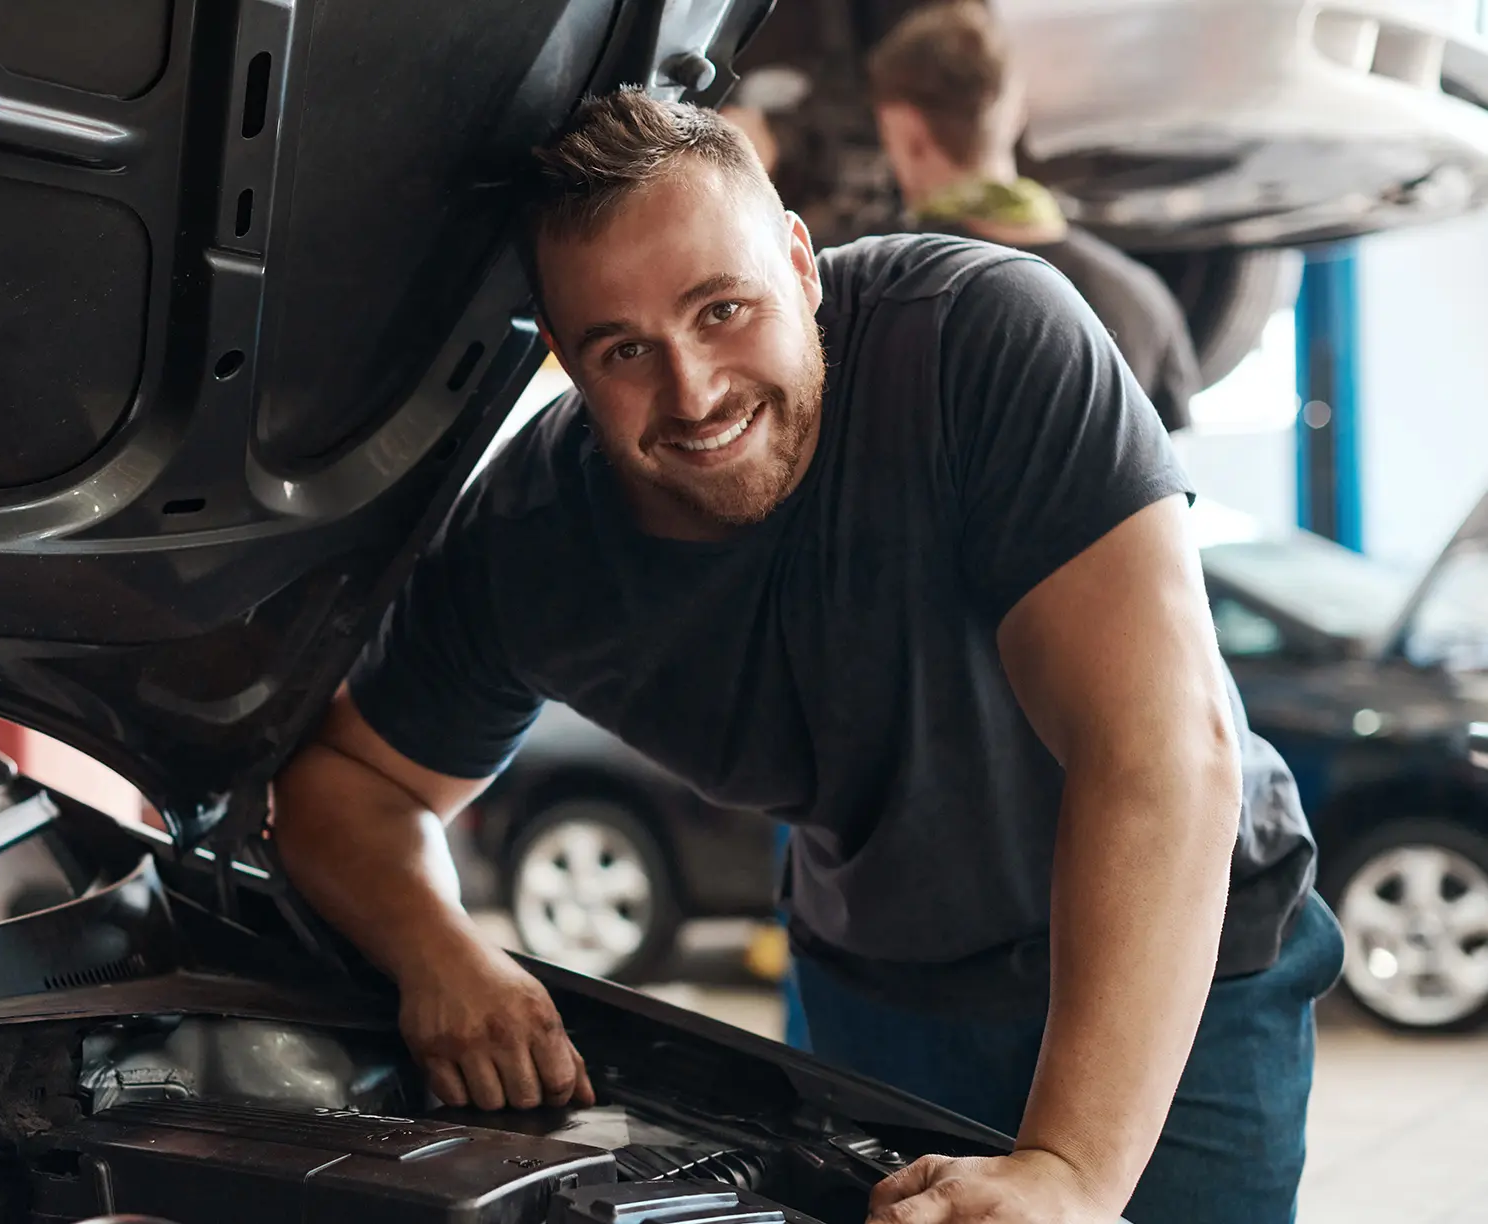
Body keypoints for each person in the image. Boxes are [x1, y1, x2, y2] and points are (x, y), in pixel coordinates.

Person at [270, 89, 1339, 1224]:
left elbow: (1159, 752)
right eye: (624, 348)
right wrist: (440, 951)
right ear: (566, 365)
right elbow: (350, 785)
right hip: (879, 996)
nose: (693, 390)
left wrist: (1070, 1172)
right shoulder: (529, 543)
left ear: (799, 262)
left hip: (1183, 970)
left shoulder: (975, 341)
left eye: (722, 308)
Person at [863, 0, 1200, 432]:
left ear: (908, 134)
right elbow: (1173, 478)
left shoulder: (877, 285)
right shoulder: (1140, 297)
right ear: (1015, 114)